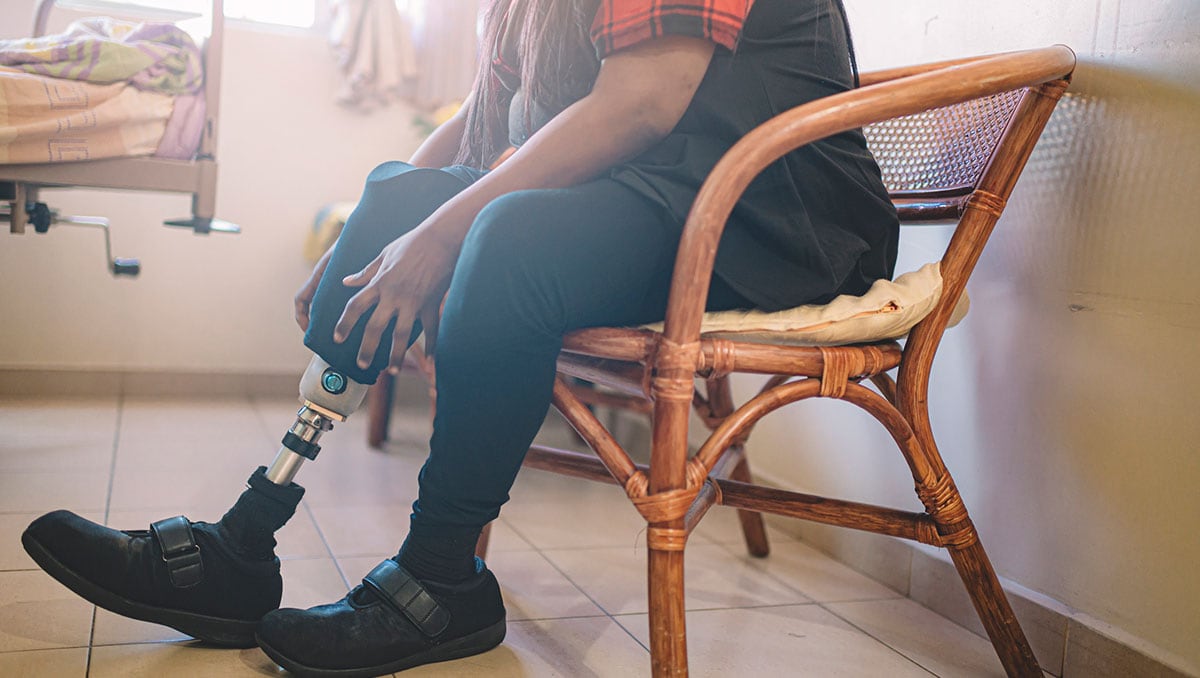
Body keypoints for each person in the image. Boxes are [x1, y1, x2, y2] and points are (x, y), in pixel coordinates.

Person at [21, 0, 898, 675]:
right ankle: (243, 545)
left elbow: (644, 101)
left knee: (503, 239)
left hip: (773, 213)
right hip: (658, 193)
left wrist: (441, 237)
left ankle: (442, 579)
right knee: (403, 189)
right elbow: (481, 124)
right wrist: (375, 235)